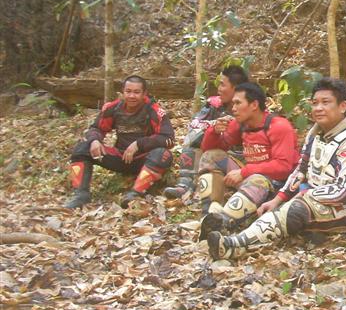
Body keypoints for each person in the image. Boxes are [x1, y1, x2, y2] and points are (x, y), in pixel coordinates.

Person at [207, 77, 346, 261]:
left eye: (325, 102)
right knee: (278, 206)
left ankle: (233, 245)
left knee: (296, 209)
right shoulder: (316, 135)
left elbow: (344, 190)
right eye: (315, 103)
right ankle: (221, 225)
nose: (318, 108)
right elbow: (300, 170)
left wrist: (305, 196)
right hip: (317, 199)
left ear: (343, 106)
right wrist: (279, 199)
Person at [197, 82, 299, 239]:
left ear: (254, 105)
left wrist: (244, 172)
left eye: (238, 103)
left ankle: (223, 222)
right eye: (233, 103)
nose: (233, 108)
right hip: (250, 178)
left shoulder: (279, 126)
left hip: (278, 186)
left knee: (257, 179)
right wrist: (214, 131)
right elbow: (209, 149)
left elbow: (284, 167)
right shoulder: (240, 124)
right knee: (211, 156)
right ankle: (208, 215)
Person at [64, 75, 175, 208]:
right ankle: (81, 195)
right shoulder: (113, 108)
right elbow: (96, 128)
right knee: (82, 148)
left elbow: (168, 138)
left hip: (145, 159)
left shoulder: (154, 111)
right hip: (120, 157)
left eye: (136, 92)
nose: (132, 96)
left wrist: (139, 144)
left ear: (144, 93)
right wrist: (95, 140)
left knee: (163, 154)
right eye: (128, 91)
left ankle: (135, 194)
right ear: (122, 92)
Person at [164, 64, 249, 199]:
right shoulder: (214, 105)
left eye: (222, 85)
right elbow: (194, 124)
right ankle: (185, 184)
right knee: (194, 138)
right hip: (218, 154)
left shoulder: (252, 108)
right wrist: (214, 126)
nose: (219, 89)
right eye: (219, 84)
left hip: (245, 162)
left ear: (237, 88)